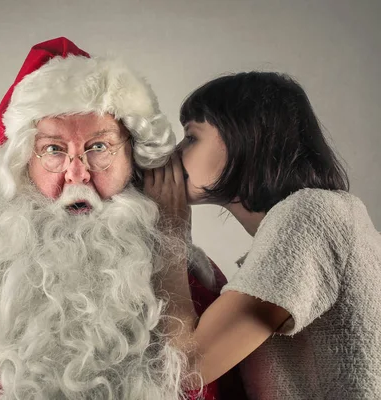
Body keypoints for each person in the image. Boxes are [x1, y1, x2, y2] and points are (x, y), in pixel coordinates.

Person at [0, 37, 244, 400]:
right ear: (23, 164)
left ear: (134, 156)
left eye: (99, 147)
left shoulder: (193, 290)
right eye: (53, 149)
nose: (77, 175)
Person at [145, 71, 381, 399]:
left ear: (247, 137)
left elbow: (187, 367)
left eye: (191, 137)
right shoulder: (313, 223)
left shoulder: (312, 216)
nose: (176, 153)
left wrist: (168, 230)